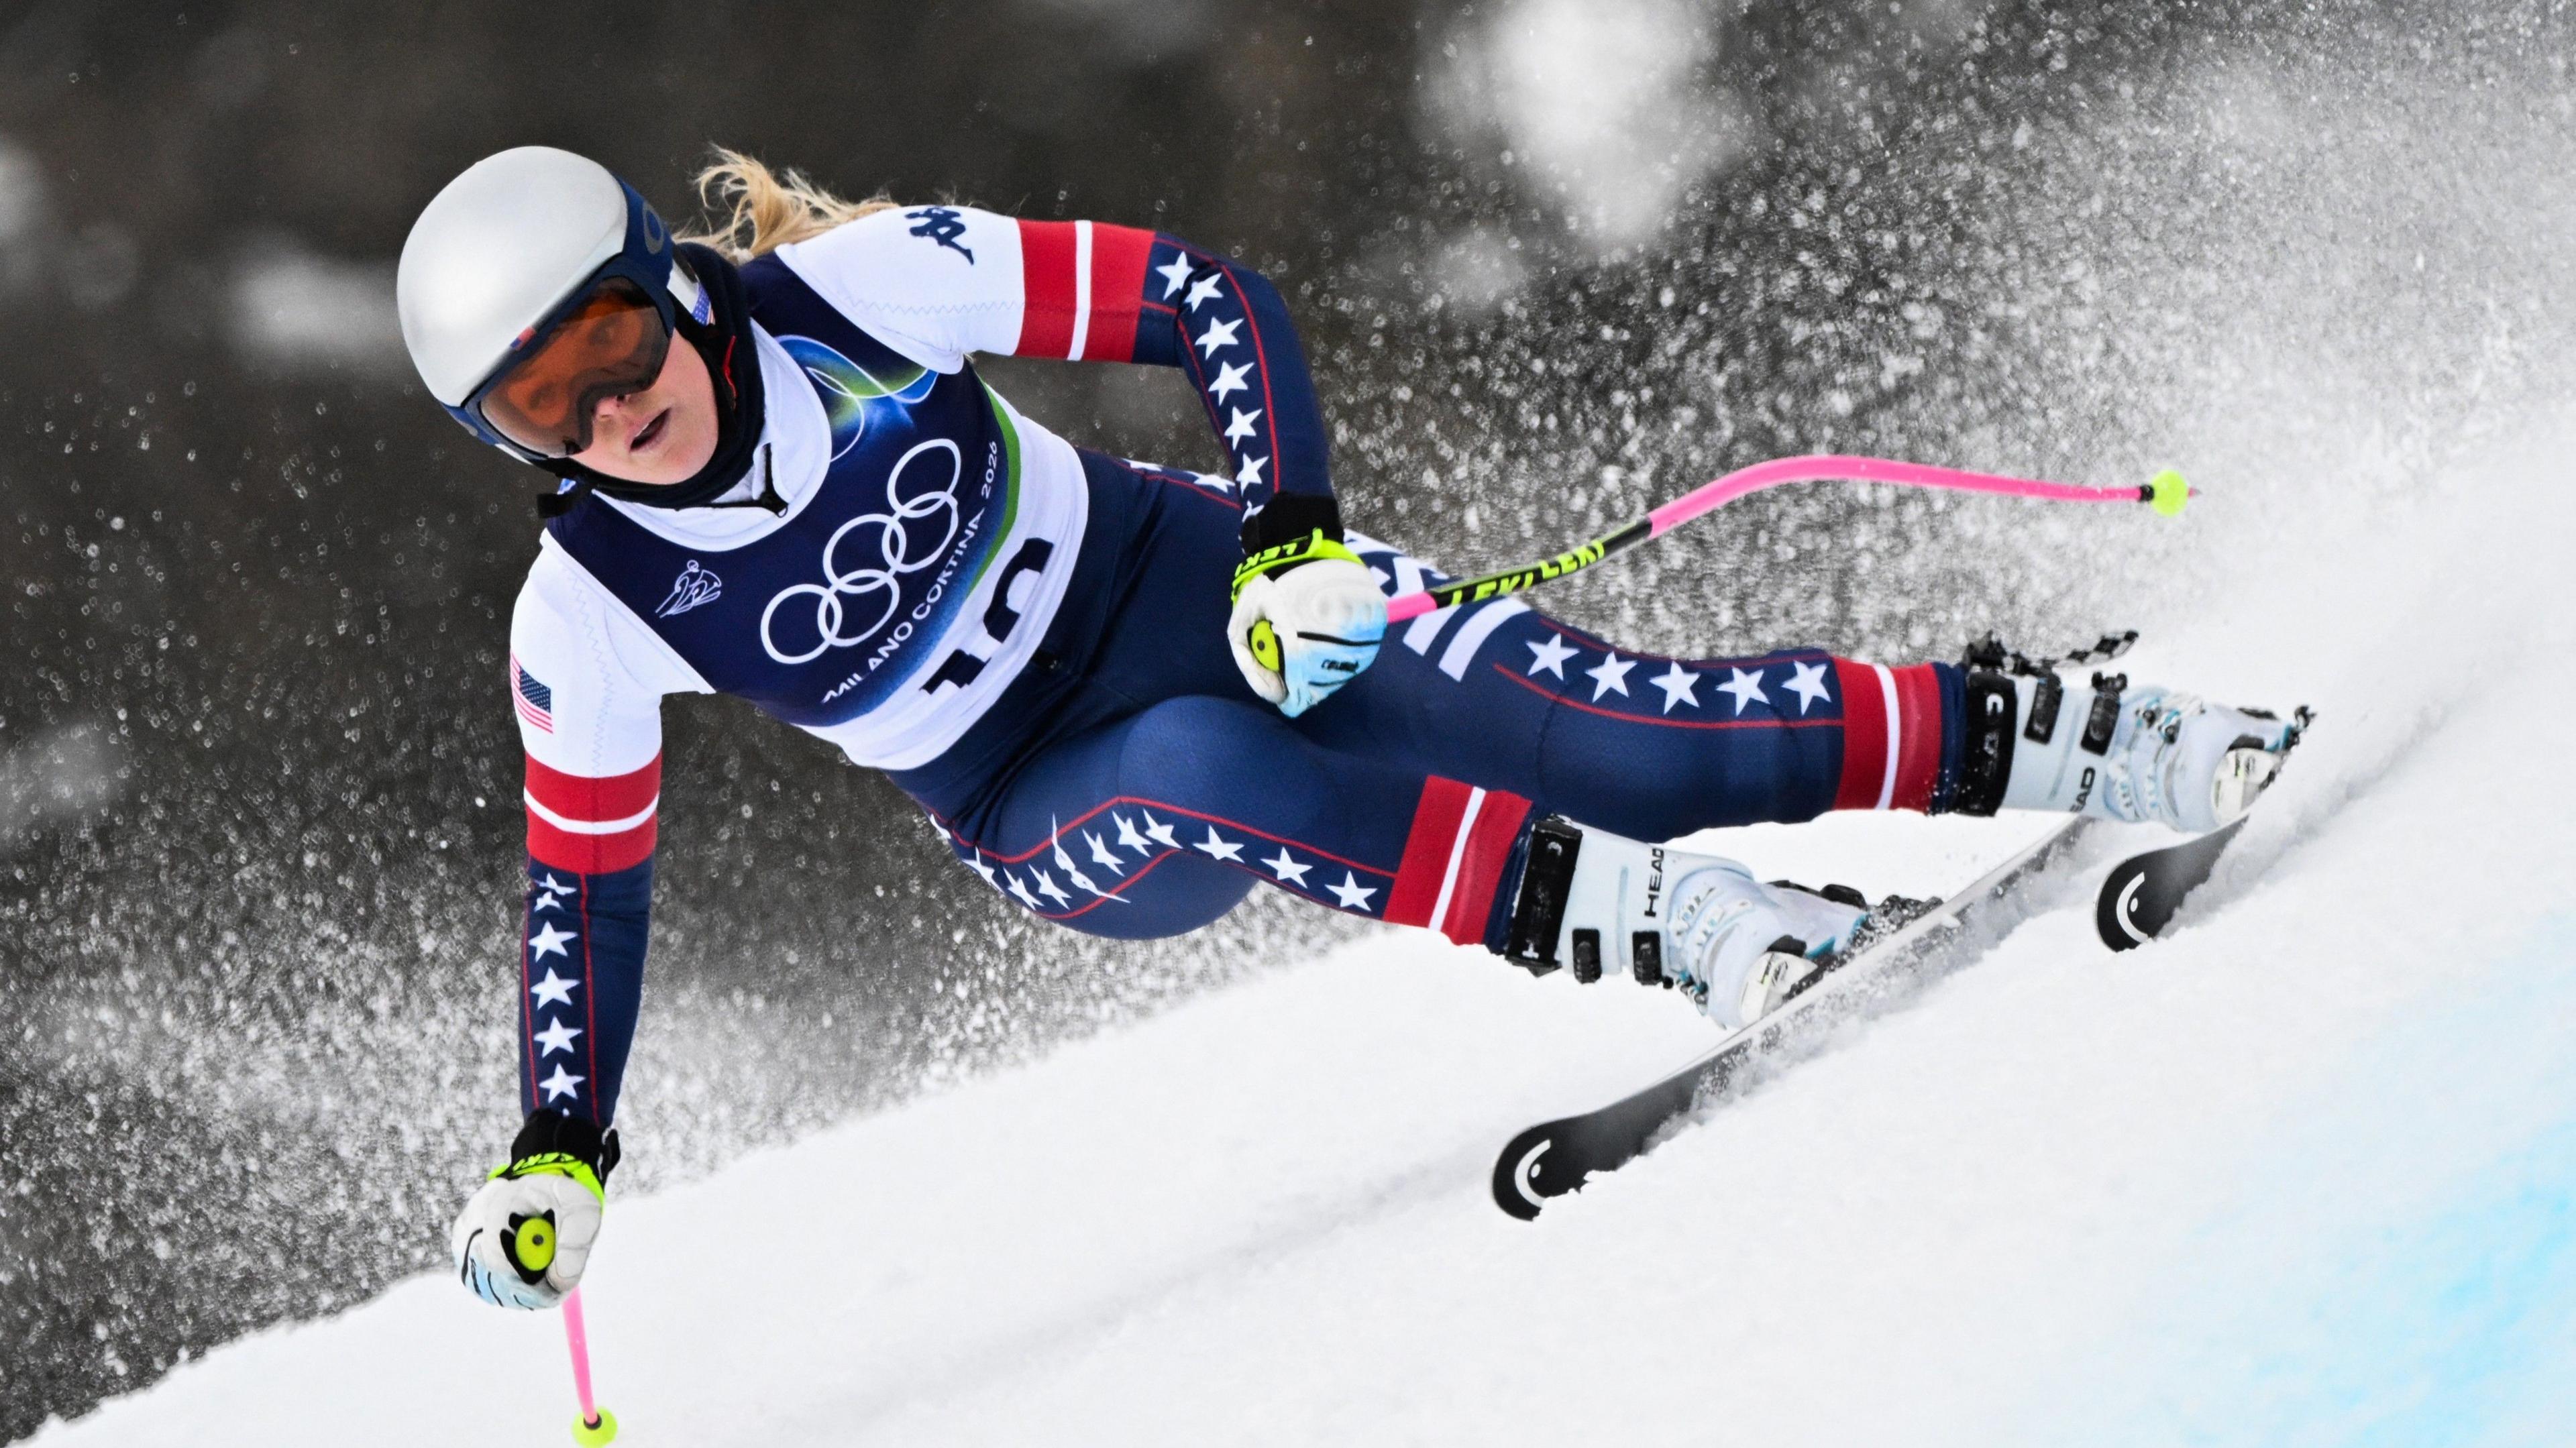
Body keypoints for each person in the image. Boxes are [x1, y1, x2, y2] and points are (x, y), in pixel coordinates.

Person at [397, 146, 2296, 1310]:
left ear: (675, 287)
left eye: (613, 351)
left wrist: (1291, 536)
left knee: (1633, 737)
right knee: (1199, 773)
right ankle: (1701, 931)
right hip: (1049, 803)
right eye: (542, 413)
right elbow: (587, 892)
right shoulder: (586, 610)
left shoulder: (851, 294)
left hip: (1196, 578)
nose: (607, 417)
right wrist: (559, 1141)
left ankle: (2089, 738)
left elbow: (1208, 299)